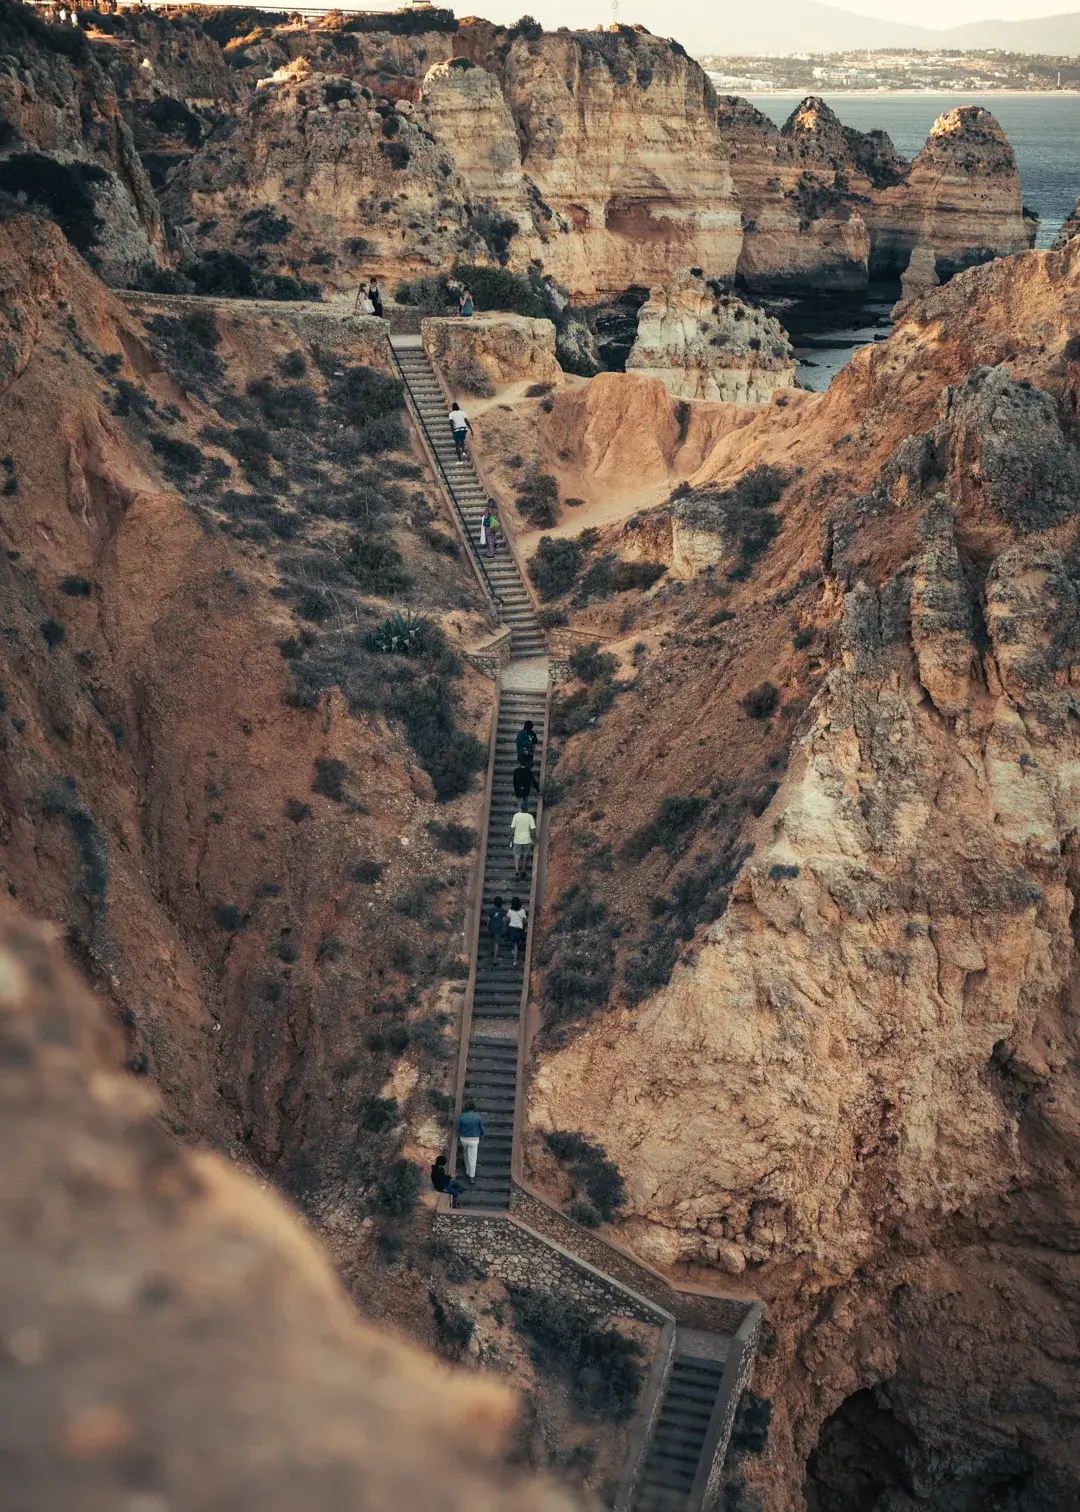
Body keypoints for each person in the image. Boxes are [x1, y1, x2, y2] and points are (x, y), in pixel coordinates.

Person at [457, 1100, 484, 1181]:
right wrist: (482, 1134)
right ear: (474, 1108)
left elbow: (459, 1129)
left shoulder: (462, 1116)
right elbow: (481, 1128)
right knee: (472, 1158)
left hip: (464, 1139)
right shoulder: (477, 1116)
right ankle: (471, 1176)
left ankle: (466, 1167)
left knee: (466, 1152)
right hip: (474, 1140)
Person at [510, 802, 536, 879]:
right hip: (527, 840)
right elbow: (532, 829)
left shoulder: (516, 816)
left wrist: (511, 836)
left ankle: (517, 872)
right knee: (525, 856)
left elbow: (512, 828)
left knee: (516, 856)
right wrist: (534, 838)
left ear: (520, 808)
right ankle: (523, 871)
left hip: (517, 840)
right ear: (527, 809)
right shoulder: (530, 817)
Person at [506, 895, 528, 966]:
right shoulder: (522, 911)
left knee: (514, 943)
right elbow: (525, 921)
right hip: (519, 929)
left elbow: (508, 919)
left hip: (511, 928)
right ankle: (515, 961)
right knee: (516, 944)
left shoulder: (509, 911)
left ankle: (515, 957)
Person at [489, 894, 508, 963]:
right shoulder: (503, 911)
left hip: (491, 927)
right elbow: (505, 920)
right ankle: (495, 960)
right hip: (498, 928)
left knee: (493, 939)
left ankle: (493, 951)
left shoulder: (491, 910)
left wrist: (488, 925)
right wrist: (504, 926)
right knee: (497, 942)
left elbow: (488, 919)